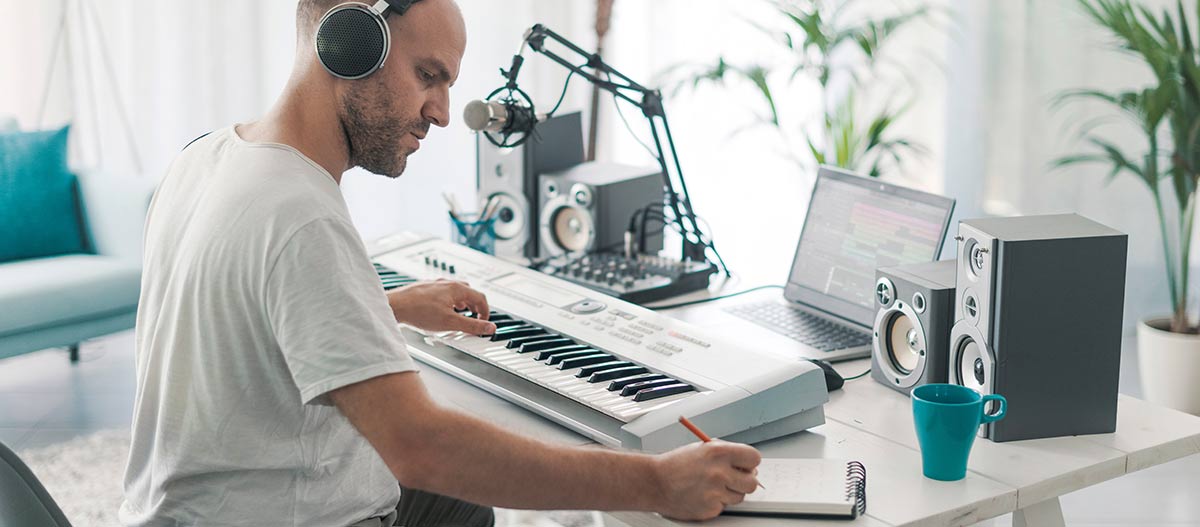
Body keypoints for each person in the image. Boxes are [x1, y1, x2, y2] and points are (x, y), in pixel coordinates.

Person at [120, 0, 762, 525]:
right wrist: (654, 483)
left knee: (463, 508)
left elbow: (229, 306)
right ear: (350, 43)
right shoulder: (301, 211)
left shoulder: (205, 157)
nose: (443, 113)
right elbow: (419, 446)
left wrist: (382, 305)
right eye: (428, 75)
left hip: (178, 512)